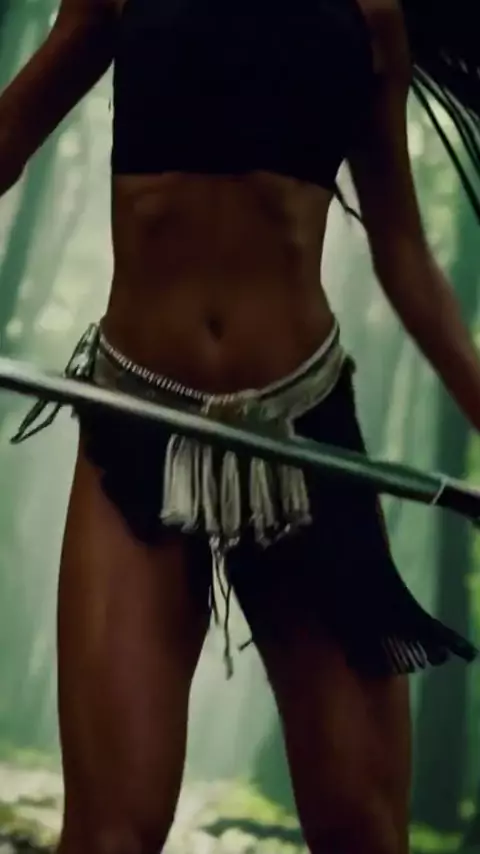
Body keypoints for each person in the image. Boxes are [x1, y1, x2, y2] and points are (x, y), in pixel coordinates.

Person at [1, 0, 480, 851]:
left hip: (304, 433)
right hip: (135, 424)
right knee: (109, 836)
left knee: (365, 832)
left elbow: (404, 254)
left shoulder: (370, 16)